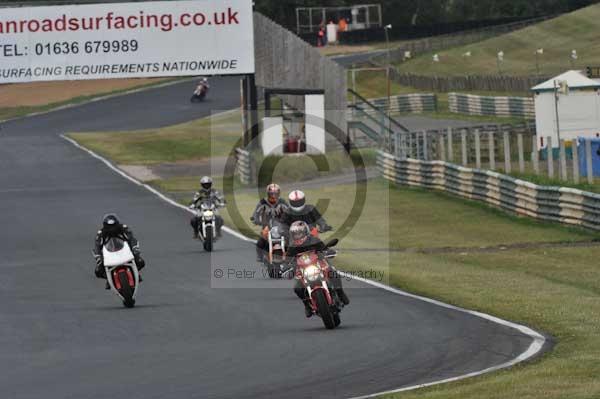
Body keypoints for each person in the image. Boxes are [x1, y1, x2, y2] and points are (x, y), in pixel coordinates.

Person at [287, 221, 349, 317]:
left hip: (318, 265)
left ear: (305, 232)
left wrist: (328, 251)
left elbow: (324, 248)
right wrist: (287, 267)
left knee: (333, 273)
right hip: (303, 271)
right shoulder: (292, 246)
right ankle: (307, 306)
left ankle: (340, 293)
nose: (298, 236)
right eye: (295, 234)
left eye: (300, 233)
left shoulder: (313, 240)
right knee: (297, 288)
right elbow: (288, 259)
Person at [92, 214, 146, 289]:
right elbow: (97, 246)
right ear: (105, 226)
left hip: (126, 251)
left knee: (141, 262)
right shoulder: (100, 233)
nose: (112, 229)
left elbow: (132, 238)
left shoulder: (123, 228)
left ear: (117, 224)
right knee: (98, 271)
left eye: (113, 226)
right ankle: (108, 278)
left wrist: (135, 249)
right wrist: (99, 258)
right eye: (109, 227)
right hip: (109, 254)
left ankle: (136, 273)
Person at [250, 183, 288, 262]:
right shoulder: (263, 202)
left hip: (281, 227)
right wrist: (255, 219)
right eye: (271, 194)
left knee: (290, 239)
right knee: (261, 242)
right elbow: (256, 213)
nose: (274, 196)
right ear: (268, 193)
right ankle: (259, 256)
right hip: (267, 227)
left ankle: (291, 255)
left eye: (276, 194)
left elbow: (289, 211)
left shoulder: (282, 201)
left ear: (279, 193)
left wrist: (291, 219)